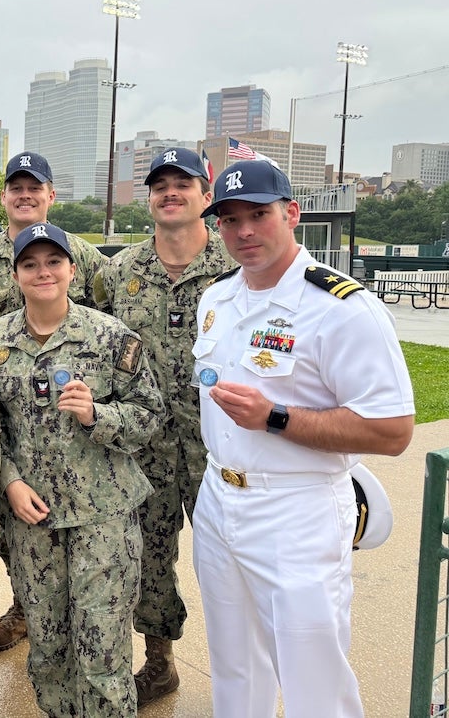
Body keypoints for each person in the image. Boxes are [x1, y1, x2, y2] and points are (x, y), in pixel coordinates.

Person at [192, 159, 414, 717]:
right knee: (235, 664)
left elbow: (392, 431)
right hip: (218, 500)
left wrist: (276, 417)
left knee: (312, 673)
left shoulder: (342, 309)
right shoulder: (216, 300)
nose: (244, 232)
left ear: (292, 214)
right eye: (229, 220)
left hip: (297, 508)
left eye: (259, 215)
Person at [0, 222, 163, 718]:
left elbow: (149, 416)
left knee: (102, 657)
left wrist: (97, 414)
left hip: (103, 520)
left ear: (72, 269)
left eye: (53, 262)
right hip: (33, 524)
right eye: (30, 263)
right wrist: (9, 481)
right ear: (15, 274)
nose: (43, 272)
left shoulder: (110, 338)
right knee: (49, 653)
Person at [0, 150, 107, 654]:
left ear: (50, 195)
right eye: (16, 187)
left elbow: (113, 326)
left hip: (70, 419)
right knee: (18, 524)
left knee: (87, 529)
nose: (25, 194)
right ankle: (26, 605)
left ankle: (86, 619)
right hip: (7, 416)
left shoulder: (84, 254)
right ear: (4, 196)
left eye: (35, 187)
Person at [91, 147, 233, 706]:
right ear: (148, 198)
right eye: (160, 185)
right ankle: (160, 662)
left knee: (230, 562)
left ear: (206, 195)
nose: (170, 192)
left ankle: (239, 672)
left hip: (220, 450)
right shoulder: (119, 272)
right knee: (149, 559)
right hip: (143, 449)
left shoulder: (237, 268)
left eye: (183, 183)